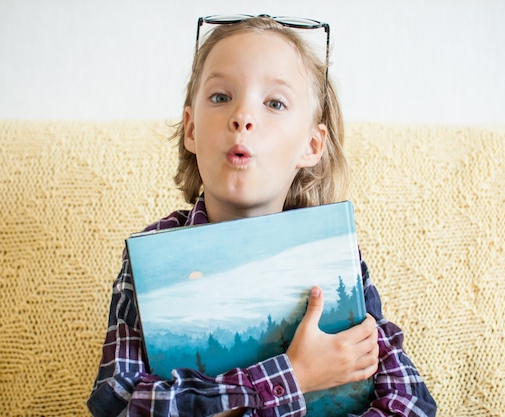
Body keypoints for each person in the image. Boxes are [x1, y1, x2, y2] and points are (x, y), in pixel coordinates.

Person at [87, 14, 437, 417]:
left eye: (274, 103)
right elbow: (120, 404)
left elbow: (410, 400)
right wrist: (293, 375)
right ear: (191, 130)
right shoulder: (151, 257)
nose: (243, 117)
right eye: (221, 97)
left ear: (311, 144)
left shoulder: (334, 253)